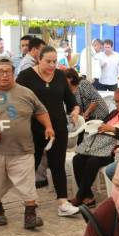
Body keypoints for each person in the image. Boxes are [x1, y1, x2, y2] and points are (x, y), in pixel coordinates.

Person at [0, 57, 55, 229]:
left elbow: (41, 110)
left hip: (23, 148)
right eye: (0, 71)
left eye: (8, 71)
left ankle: (30, 215)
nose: (5, 75)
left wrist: (48, 126)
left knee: (27, 182)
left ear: (13, 74)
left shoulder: (26, 93)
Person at [17, 47, 81, 217]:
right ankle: (29, 199)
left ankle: (63, 202)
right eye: (48, 61)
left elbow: (70, 100)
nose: (52, 65)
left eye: (55, 61)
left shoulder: (60, 76)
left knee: (57, 164)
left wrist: (75, 110)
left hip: (58, 126)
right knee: (32, 163)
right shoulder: (26, 76)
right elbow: (17, 100)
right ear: (39, 59)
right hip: (33, 127)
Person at [71, 85, 119, 206]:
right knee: (77, 159)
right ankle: (88, 196)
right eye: (115, 101)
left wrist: (113, 130)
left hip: (115, 151)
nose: (117, 104)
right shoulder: (114, 113)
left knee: (92, 162)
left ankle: (79, 196)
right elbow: (102, 125)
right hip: (99, 147)